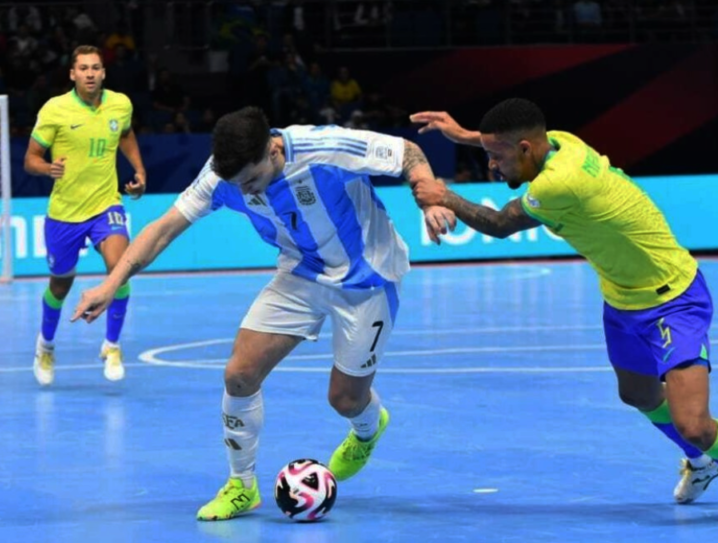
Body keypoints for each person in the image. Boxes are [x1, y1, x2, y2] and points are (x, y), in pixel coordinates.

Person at [71, 107, 456, 520]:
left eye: (252, 180)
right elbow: (164, 228)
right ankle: (241, 486)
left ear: (273, 151)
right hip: (302, 271)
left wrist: (430, 199)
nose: (247, 191)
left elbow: (408, 153)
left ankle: (367, 427)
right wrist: (112, 283)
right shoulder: (222, 176)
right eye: (239, 185)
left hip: (369, 277)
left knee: (345, 399)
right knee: (239, 374)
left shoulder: (323, 147)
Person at [409, 98, 718, 524]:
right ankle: (699, 462)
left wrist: (443, 194)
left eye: (495, 156)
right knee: (638, 394)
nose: (493, 167)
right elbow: (522, 144)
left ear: (524, 149)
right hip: (622, 298)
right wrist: (463, 134)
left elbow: (500, 224)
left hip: (673, 299)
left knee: (694, 423)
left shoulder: (559, 184)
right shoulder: (561, 141)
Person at [24, 45, 147, 386]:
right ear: (72, 74)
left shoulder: (120, 104)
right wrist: (48, 167)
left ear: (103, 72)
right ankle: (46, 345)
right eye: (83, 68)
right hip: (64, 213)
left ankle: (111, 345)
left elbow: (125, 134)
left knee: (119, 270)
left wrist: (138, 169)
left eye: (96, 67)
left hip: (106, 204)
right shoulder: (55, 109)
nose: (90, 73)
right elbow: (30, 158)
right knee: (60, 285)